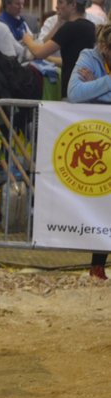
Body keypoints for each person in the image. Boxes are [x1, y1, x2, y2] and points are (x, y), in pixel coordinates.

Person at [65, 22, 111, 280]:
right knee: (104, 201)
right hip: (100, 138)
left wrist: (98, 88)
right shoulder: (88, 56)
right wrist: (109, 82)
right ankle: (97, 266)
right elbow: (75, 93)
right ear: (104, 48)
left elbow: (87, 93)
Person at [22, 0, 96, 98]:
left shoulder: (70, 28)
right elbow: (72, 59)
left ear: (73, 5)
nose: (57, 7)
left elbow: (39, 53)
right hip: (87, 86)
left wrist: (28, 40)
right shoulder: (91, 26)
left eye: (61, 2)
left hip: (72, 87)